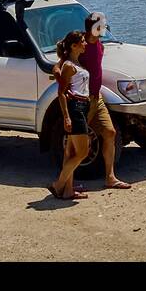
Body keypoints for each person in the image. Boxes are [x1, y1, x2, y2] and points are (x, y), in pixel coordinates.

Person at [81, 11, 131, 189]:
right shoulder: (81, 45)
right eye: (102, 26)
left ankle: (110, 177)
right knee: (79, 141)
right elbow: (64, 63)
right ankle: (66, 181)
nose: (105, 28)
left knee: (109, 133)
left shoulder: (99, 45)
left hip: (97, 97)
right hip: (84, 99)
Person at [49, 30, 91, 200]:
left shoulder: (76, 63)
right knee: (82, 152)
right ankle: (58, 184)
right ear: (74, 46)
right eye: (82, 41)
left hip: (82, 106)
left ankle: (67, 191)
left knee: (71, 152)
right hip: (76, 108)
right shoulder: (69, 66)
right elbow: (61, 93)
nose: (85, 43)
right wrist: (66, 116)